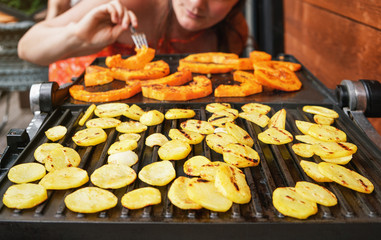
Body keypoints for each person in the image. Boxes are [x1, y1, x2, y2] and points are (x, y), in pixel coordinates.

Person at [18, 0, 248, 85]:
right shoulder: (127, 3)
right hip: (79, 96)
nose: (197, 4)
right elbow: (27, 47)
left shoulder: (233, 32)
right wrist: (78, 36)